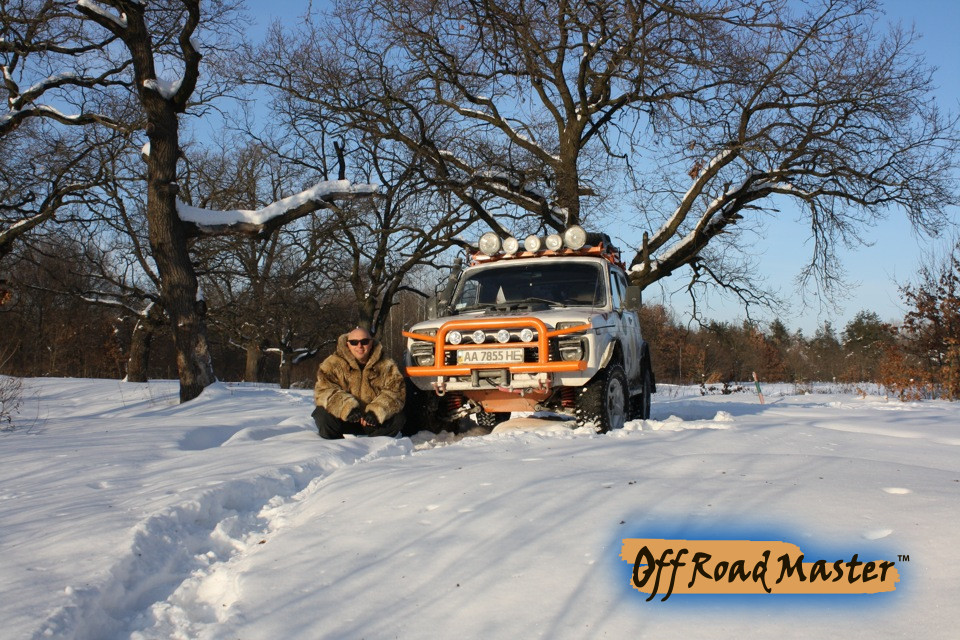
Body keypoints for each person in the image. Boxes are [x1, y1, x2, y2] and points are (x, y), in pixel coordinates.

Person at [312, 327, 406, 439]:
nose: (359, 346)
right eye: (354, 342)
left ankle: (376, 444)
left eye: (364, 341)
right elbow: (324, 390)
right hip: (344, 419)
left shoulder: (387, 365)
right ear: (347, 344)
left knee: (398, 418)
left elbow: (396, 392)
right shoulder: (332, 364)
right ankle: (336, 446)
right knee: (322, 414)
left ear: (371, 343)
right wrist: (347, 408)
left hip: (373, 422)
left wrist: (375, 412)